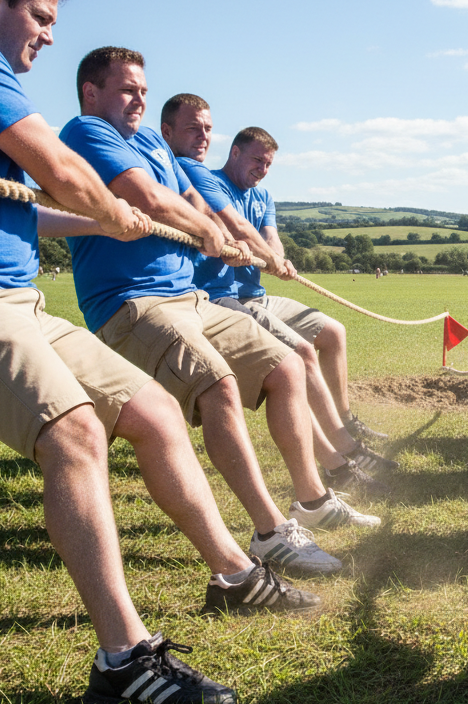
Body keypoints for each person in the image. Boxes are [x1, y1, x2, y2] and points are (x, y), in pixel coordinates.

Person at [0, 0, 318, 704]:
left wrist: (111, 224)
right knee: (75, 433)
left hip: (17, 298)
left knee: (154, 411)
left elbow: (23, 203)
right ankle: (125, 660)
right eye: (41, 18)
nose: (46, 36)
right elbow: (58, 168)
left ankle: (236, 577)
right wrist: (104, 204)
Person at [60, 47, 381, 579]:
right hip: (133, 303)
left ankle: (313, 499)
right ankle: (271, 532)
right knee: (220, 387)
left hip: (191, 297)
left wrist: (221, 232)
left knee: (288, 366)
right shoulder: (87, 133)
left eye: (142, 88)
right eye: (126, 89)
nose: (138, 98)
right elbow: (148, 198)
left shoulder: (153, 145)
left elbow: (195, 201)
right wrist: (209, 233)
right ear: (92, 93)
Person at [159, 99, 393, 486]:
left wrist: (276, 260)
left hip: (256, 293)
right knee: (299, 354)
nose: (262, 171)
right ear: (234, 152)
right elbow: (237, 229)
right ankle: (345, 450)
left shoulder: (263, 196)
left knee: (332, 332)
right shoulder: (202, 176)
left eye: (268, 164)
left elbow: (270, 238)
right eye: (256, 161)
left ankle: (344, 420)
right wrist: (269, 258)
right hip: (221, 293)